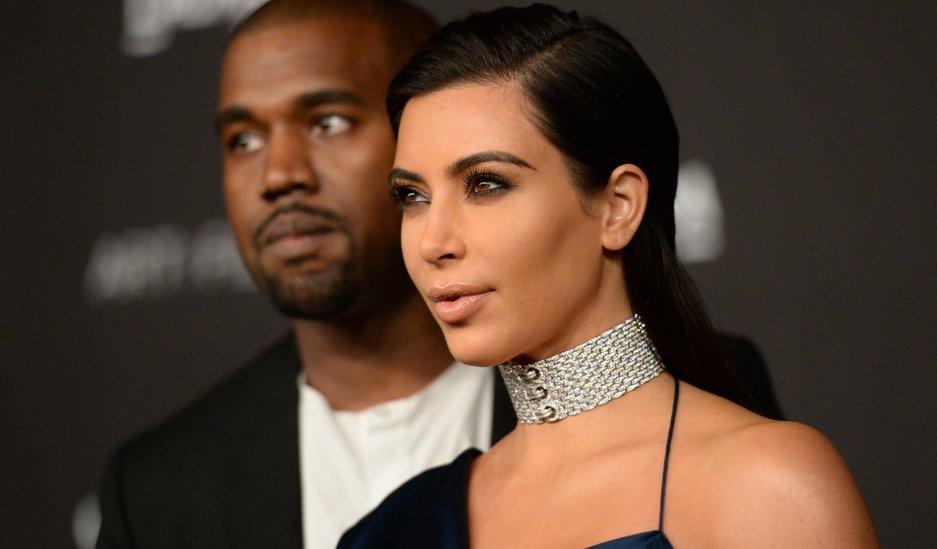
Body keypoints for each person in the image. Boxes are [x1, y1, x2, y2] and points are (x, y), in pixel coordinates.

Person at [340, 5, 877, 548]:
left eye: (486, 185)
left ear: (618, 207)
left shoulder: (768, 485)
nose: (434, 242)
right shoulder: (390, 530)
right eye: (412, 197)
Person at [95, 2, 520, 548]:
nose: (278, 175)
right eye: (243, 140)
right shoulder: (157, 490)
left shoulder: (621, 414)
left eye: (328, 123)